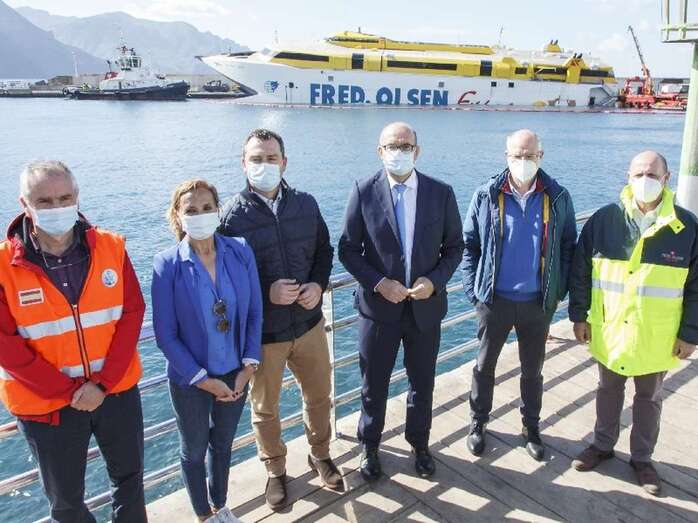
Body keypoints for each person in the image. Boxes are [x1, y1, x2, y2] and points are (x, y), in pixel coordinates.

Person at [0, 161, 146, 522]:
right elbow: (6, 345)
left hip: (115, 393)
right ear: (24, 204)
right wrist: (71, 392)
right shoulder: (3, 266)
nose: (57, 207)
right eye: (44, 201)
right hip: (47, 407)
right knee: (65, 502)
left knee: (130, 482)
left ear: (77, 197)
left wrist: (103, 383)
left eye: (65, 198)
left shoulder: (111, 247)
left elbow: (132, 313)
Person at [219, 129, 340, 510]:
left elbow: (324, 251)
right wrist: (265, 291)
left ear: (284, 162)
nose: (264, 165)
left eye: (271, 158)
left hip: (309, 325)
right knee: (265, 408)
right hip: (263, 335)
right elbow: (224, 281)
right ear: (243, 164)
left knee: (319, 396)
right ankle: (275, 470)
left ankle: (320, 454)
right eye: (256, 158)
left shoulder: (306, 204)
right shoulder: (230, 218)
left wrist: (318, 284)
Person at [338, 121, 465, 481]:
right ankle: (369, 446)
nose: (399, 152)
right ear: (380, 152)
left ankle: (420, 444)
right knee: (373, 385)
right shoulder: (363, 191)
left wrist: (434, 281)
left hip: (425, 310)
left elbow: (455, 248)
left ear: (417, 151)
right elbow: (347, 250)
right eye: (392, 146)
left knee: (422, 384)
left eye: (405, 146)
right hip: (378, 311)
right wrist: (379, 284)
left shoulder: (441, 193)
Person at [569, 151, 698, 495]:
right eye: (639, 173)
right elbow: (580, 271)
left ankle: (642, 459)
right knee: (607, 390)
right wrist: (579, 315)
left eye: (652, 174)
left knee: (649, 398)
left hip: (656, 334)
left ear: (667, 178)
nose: (645, 180)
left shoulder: (686, 227)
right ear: (627, 176)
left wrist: (690, 334)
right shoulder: (605, 219)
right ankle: (602, 445)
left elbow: (696, 287)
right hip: (611, 328)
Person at [462, 129, 577, 460]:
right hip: (493, 302)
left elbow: (568, 246)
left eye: (529, 155)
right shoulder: (486, 194)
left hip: (537, 304)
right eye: (517, 155)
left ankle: (531, 427)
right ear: (507, 157)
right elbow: (469, 245)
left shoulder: (558, 197)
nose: (523, 161)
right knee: (484, 366)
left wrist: (557, 292)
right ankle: (478, 422)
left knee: (532, 371)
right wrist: (474, 293)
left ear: (540, 156)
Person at [151, 179, 262, 521]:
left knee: (223, 443)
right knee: (194, 450)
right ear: (178, 216)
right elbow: (165, 335)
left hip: (235, 373)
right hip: (191, 379)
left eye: (206, 208)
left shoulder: (240, 250)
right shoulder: (167, 264)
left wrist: (248, 366)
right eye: (191, 210)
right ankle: (203, 514)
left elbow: (255, 312)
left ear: (218, 210)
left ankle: (220, 504)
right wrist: (202, 379)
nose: (200, 215)